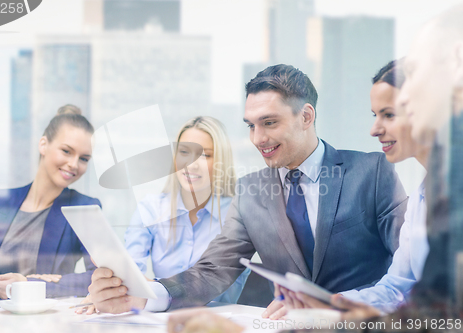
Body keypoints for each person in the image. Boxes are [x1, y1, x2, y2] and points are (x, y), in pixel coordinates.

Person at [87, 64, 407, 315]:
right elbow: (213, 269)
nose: (257, 139)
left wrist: (336, 306)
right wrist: (144, 296)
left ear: (306, 116)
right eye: (250, 125)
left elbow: (409, 269)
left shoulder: (372, 172)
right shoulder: (251, 190)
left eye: (269, 123)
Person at [276, 60, 431, 314]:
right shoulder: (420, 199)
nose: (374, 130)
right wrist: (327, 303)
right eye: (375, 115)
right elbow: (397, 288)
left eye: (389, 115)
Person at [78, 116, 250, 314]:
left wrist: (150, 286)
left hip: (219, 320)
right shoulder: (151, 209)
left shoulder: (238, 213)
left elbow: (217, 282)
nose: (192, 164)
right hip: (162, 321)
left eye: (205, 155)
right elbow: (131, 277)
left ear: (221, 162)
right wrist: (110, 291)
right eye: (184, 152)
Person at [0, 105, 101, 300]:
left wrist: (29, 286)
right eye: (66, 151)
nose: (74, 164)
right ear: (43, 144)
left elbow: (100, 279)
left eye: (84, 159)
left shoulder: (84, 207)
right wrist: (7, 292)